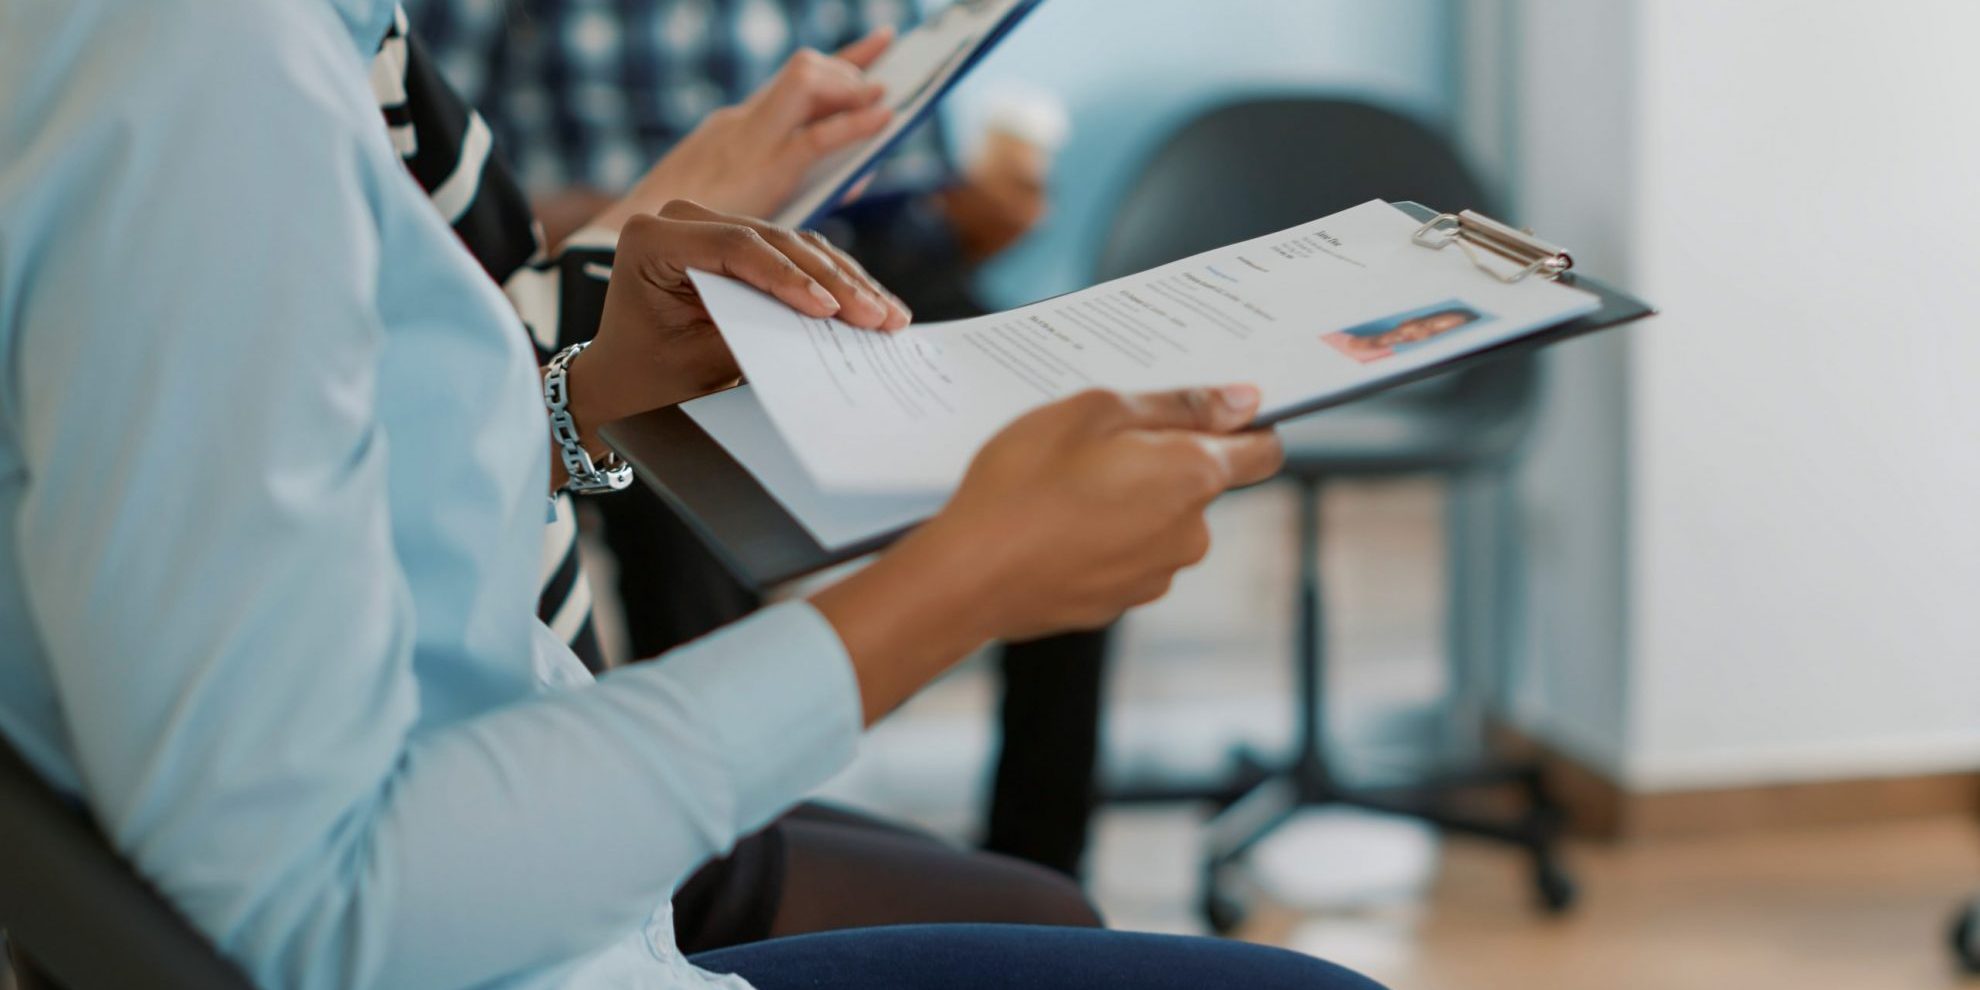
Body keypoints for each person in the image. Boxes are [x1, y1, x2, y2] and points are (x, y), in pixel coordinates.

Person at [0, 2, 1390, 989]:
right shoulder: (206, 71)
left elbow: (326, 448)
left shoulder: (277, 50)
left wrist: (584, 387)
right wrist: (961, 582)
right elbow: (322, 914)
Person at [367, 9, 1099, 950]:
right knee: (679, 471)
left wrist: (975, 209)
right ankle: (737, 823)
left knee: (1063, 445)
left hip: (821, 261)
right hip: (642, 286)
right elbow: (469, 276)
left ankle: (1023, 844)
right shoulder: (306, 70)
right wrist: (658, 204)